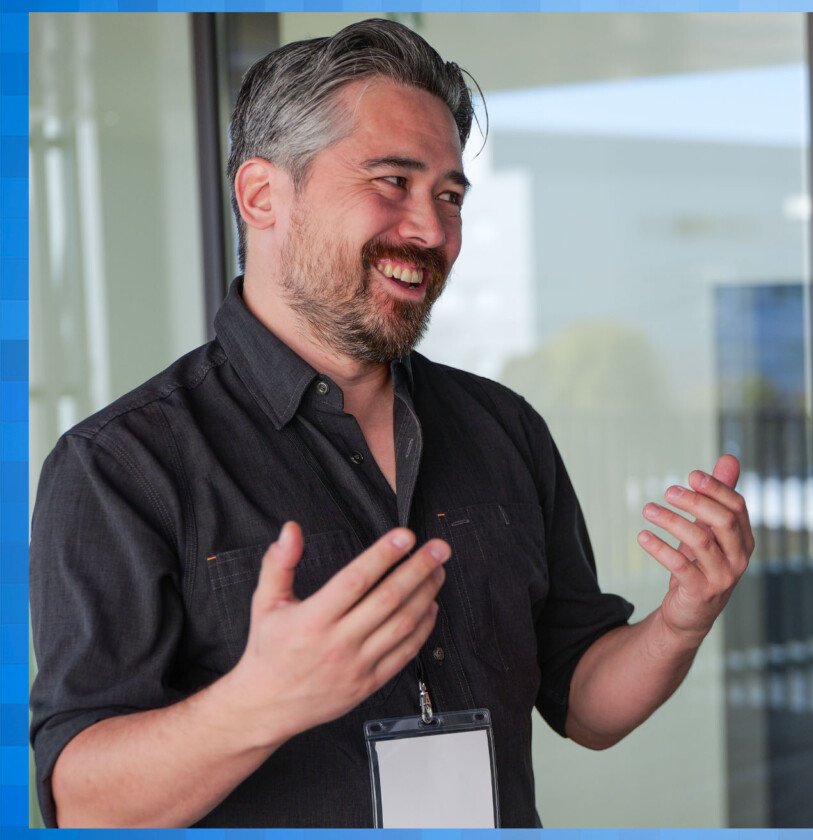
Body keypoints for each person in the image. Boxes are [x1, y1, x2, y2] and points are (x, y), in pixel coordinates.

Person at [28, 18, 753, 828]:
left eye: (448, 195)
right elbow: (80, 800)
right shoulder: (120, 465)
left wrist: (679, 622)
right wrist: (259, 703)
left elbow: (584, 704)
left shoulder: (502, 427)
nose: (432, 230)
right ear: (263, 194)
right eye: (392, 182)